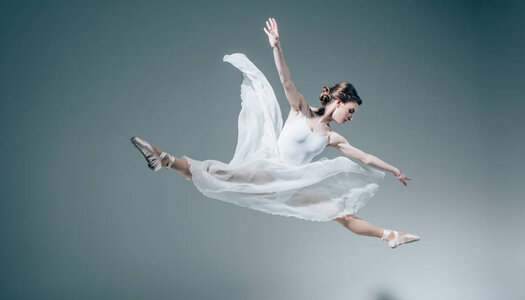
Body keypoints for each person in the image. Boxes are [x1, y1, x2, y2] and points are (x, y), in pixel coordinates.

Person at [131, 18, 420, 249]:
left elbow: (365, 157)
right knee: (219, 175)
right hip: (270, 172)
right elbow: (286, 79)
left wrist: (394, 170)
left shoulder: (332, 138)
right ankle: (164, 159)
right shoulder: (301, 110)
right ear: (340, 101)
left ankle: (389, 236)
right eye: (352, 111)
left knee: (343, 216)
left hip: (293, 186)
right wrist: (276, 46)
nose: (351, 118)